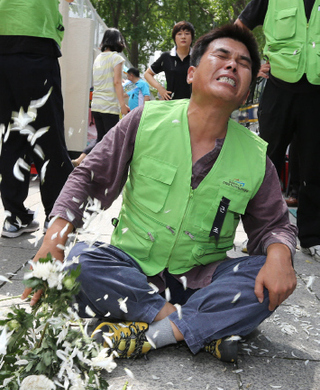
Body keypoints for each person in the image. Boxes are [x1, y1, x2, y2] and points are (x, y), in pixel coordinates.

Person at [23, 24, 297, 364]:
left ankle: (151, 334)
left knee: (266, 277)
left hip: (202, 279)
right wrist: (54, 240)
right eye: (222, 56)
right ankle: (199, 329)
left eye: (243, 64)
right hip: (131, 270)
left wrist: (281, 255)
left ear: (246, 91)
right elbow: (89, 178)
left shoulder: (256, 157)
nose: (232, 66)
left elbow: (275, 225)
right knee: (81, 261)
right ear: (192, 73)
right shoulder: (145, 119)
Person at [235, 0, 320, 261]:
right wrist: (251, 62)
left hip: (316, 94)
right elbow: (239, 27)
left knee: (314, 166)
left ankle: (312, 237)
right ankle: (259, 234)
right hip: (278, 89)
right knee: (266, 161)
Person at [0, 0, 74, 238]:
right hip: (36, 39)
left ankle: (15, 216)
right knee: (48, 136)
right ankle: (56, 216)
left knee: (13, 134)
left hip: (2, 43)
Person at [90, 28, 130, 144]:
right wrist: (122, 105)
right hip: (109, 107)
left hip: (96, 105)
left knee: (101, 140)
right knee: (112, 141)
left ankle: (81, 160)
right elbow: (117, 82)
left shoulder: (98, 58)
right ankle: (82, 160)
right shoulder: (116, 58)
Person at [144, 21, 195, 100]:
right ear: (174, 38)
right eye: (179, 34)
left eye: (187, 33)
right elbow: (147, 74)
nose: (183, 37)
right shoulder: (166, 57)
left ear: (192, 37)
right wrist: (160, 89)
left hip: (193, 104)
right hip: (171, 103)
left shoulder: (197, 57)